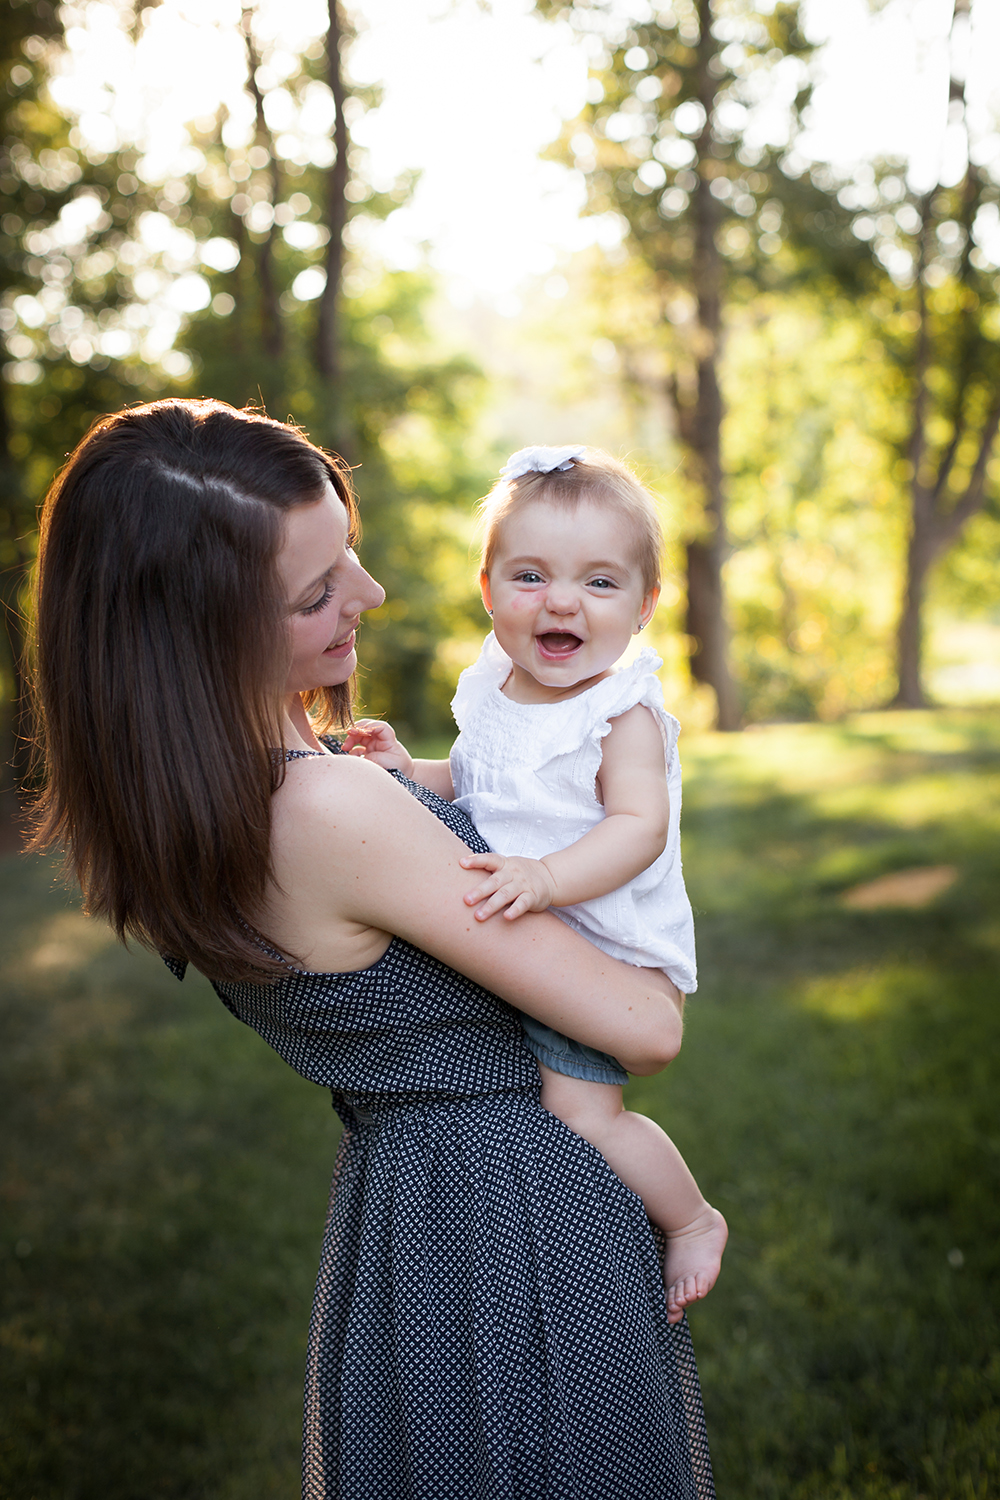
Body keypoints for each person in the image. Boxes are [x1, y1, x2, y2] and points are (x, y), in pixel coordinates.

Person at [28, 399, 716, 1500]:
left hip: (410, 1211)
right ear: (200, 631)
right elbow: (645, 1024)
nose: (372, 595)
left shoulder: (200, 807)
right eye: (317, 591)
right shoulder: (325, 810)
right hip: (515, 1217)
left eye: (346, 555)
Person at [344, 445, 728, 1322]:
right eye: (531, 576)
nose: (561, 602)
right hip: (541, 915)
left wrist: (548, 879)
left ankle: (693, 1217)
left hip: (610, 945)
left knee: (583, 1113)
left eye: (599, 584)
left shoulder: (619, 712)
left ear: (643, 607)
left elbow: (639, 828)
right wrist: (413, 770)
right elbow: (484, 784)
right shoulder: (496, 687)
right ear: (487, 590)